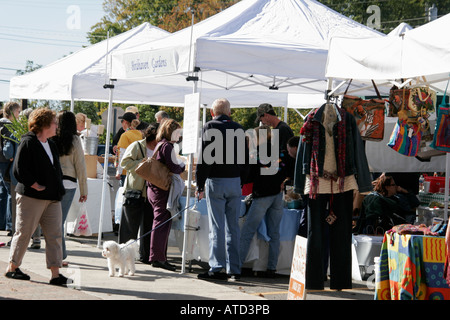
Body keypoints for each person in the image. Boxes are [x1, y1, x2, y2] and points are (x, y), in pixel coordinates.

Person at [294, 103, 372, 291]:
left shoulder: (348, 119)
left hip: (343, 181)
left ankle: (340, 281)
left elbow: (357, 150)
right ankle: (314, 281)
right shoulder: (310, 120)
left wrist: (363, 184)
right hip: (316, 182)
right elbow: (302, 151)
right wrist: (298, 183)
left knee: (342, 233)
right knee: (315, 233)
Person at [5, 107, 69, 286]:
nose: (57, 126)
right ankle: (12, 268)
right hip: (31, 197)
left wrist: (58, 189)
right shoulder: (28, 142)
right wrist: (34, 185)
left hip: (52, 198)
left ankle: (55, 274)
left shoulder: (52, 144)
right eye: (54, 123)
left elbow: (55, 169)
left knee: (55, 235)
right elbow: (18, 170)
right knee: (24, 232)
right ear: (44, 124)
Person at [195, 98, 249, 281]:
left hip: (216, 180)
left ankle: (217, 267)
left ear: (212, 112)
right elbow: (244, 159)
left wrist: (199, 184)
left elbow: (205, 159)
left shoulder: (210, 126)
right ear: (230, 112)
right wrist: (241, 179)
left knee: (217, 227)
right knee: (233, 227)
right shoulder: (239, 129)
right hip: (234, 181)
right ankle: (234, 269)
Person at [239, 125, 291, 277]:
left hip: (262, 194)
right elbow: (286, 172)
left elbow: (250, 175)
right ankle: (271, 268)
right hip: (277, 195)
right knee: (274, 233)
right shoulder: (279, 150)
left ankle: (238, 265)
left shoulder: (257, 152)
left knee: (247, 231)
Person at [146, 119, 184, 271]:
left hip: (154, 188)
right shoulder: (167, 146)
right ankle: (158, 257)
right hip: (160, 189)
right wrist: (182, 166)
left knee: (160, 222)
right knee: (161, 223)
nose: (179, 136)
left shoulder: (161, 145)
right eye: (177, 132)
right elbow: (174, 167)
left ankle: (159, 256)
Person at [52, 111, 88, 266]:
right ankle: (60, 254)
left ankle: (60, 254)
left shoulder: (52, 138)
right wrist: (84, 190)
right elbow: (80, 165)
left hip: (53, 183)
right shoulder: (75, 140)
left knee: (55, 220)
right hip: (69, 184)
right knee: (59, 220)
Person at [119, 124, 159, 263]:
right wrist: (142, 162)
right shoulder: (137, 146)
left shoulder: (159, 148)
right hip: (134, 191)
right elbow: (125, 163)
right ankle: (122, 255)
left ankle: (145, 256)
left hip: (150, 193)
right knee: (129, 227)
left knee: (147, 227)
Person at [354, 173, 420, 235]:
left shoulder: (397, 197)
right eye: (393, 185)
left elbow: (416, 203)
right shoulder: (382, 200)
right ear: (387, 187)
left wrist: (405, 191)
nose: (396, 187)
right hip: (391, 229)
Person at [0, 102, 21, 235]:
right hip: (6, 162)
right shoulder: (8, 126)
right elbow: (8, 149)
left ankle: (5, 223)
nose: (19, 115)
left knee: (4, 192)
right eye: (18, 112)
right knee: (10, 194)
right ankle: (9, 224)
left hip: (1, 162)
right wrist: (11, 157)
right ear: (12, 112)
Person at [115, 112, 143, 185]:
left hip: (126, 170)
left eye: (122, 121)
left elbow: (122, 155)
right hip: (138, 170)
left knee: (123, 194)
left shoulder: (125, 135)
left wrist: (119, 172)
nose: (121, 124)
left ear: (125, 122)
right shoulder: (141, 134)